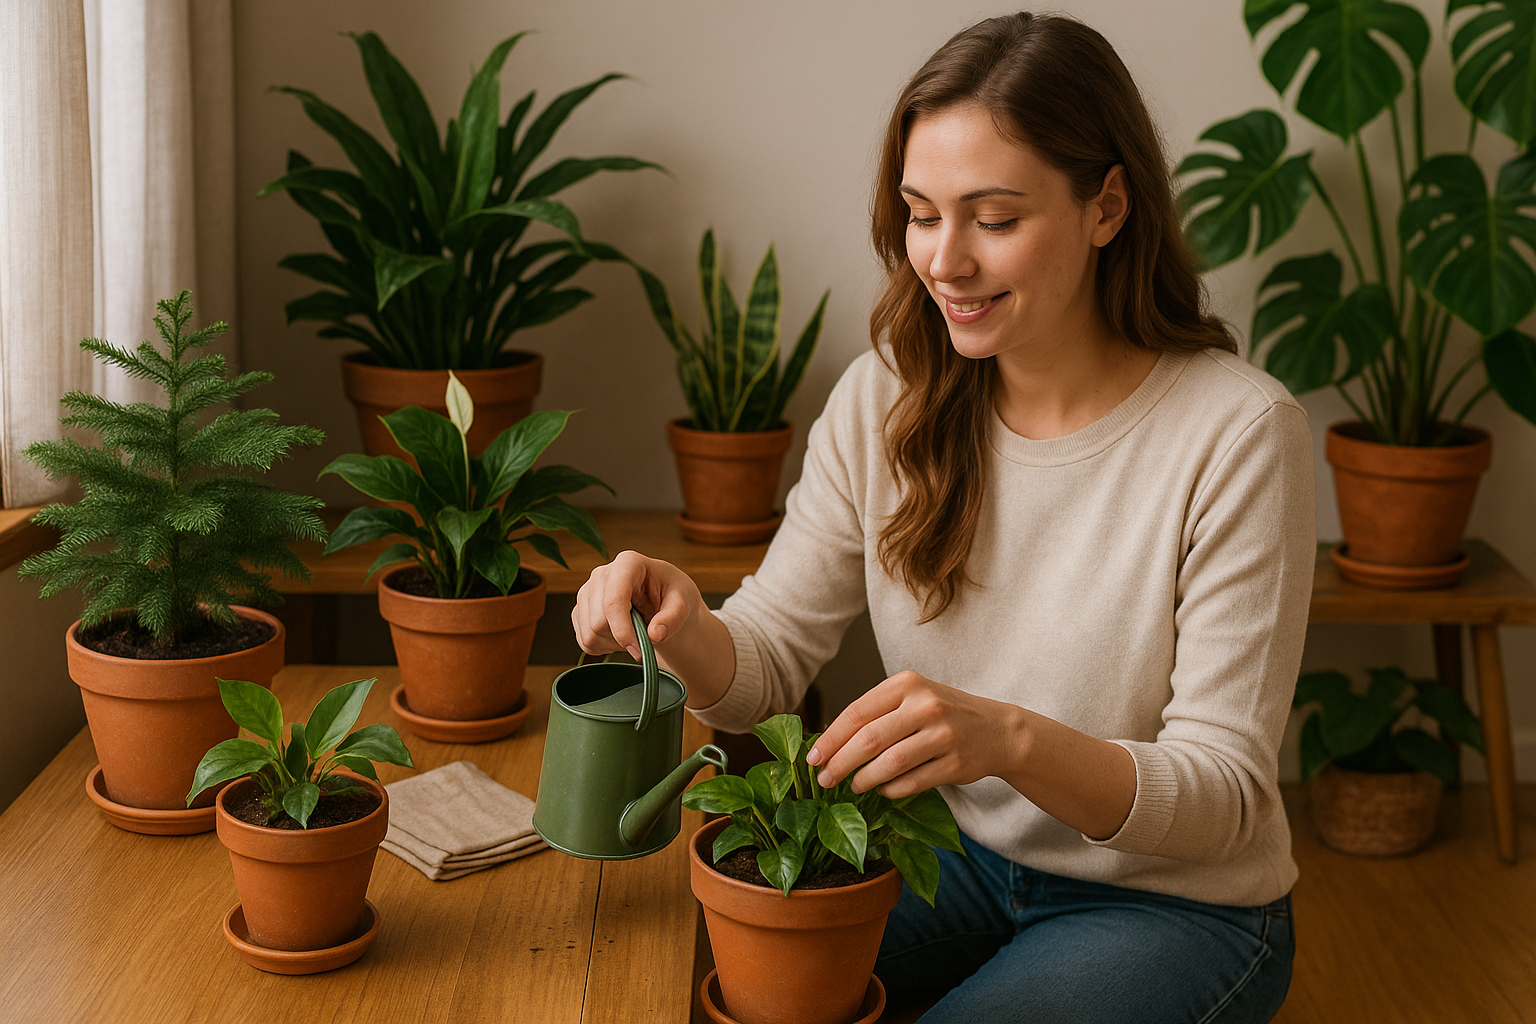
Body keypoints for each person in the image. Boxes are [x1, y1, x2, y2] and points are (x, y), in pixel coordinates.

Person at [574, 12, 1313, 1023]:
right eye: (922, 213)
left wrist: (1008, 740)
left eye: (994, 218)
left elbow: (1228, 798)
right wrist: (683, 620)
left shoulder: (1237, 431)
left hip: (1176, 905)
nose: (944, 261)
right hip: (962, 860)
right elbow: (768, 662)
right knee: (671, 973)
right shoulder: (888, 398)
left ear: (1108, 205)